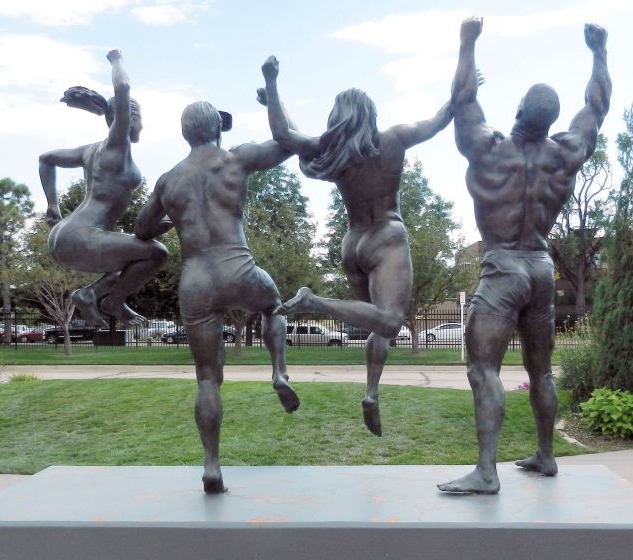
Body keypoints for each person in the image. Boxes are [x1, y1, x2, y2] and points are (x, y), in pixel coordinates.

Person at [437, 17, 611, 494]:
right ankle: (546, 455)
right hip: (540, 269)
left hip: (503, 268)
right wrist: (598, 52)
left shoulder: (488, 150)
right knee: (541, 371)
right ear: (550, 122)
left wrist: (467, 41)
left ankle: (486, 472)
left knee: (483, 369)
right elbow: (596, 107)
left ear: (517, 109)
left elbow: (463, 101)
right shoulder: (565, 153)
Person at [261, 55, 453, 436]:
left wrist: (272, 88)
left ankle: (371, 394)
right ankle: (315, 303)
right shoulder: (393, 139)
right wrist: (464, 72)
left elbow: (287, 137)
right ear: (371, 113)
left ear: (338, 117)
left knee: (373, 322)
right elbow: (439, 119)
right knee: (388, 321)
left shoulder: (333, 151)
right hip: (386, 236)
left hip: (353, 244)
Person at [135, 100, 299, 495]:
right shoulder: (235, 158)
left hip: (196, 278)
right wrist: (274, 93)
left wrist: (177, 217)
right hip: (237, 267)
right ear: (217, 130)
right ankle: (278, 371)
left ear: (184, 132)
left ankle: (211, 465)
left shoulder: (168, 180)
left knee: (208, 379)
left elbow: (142, 229)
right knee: (273, 305)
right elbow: (289, 142)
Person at [40, 49, 168, 328]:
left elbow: (46, 159)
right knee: (157, 253)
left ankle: (91, 295)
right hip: (82, 235)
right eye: (140, 121)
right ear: (129, 117)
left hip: (64, 235)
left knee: (131, 259)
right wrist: (116, 59)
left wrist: (53, 204)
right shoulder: (117, 144)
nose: (142, 128)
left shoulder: (90, 151)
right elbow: (122, 88)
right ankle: (112, 301)